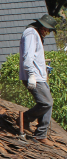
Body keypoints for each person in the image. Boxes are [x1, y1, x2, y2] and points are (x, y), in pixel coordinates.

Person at [19, 13, 56, 146]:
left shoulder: (37, 35)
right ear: (42, 26)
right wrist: (31, 75)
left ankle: (41, 134)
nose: (48, 32)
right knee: (46, 103)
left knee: (48, 104)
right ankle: (25, 118)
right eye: (47, 29)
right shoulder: (31, 33)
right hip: (34, 77)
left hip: (39, 76)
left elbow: (36, 56)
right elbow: (28, 56)